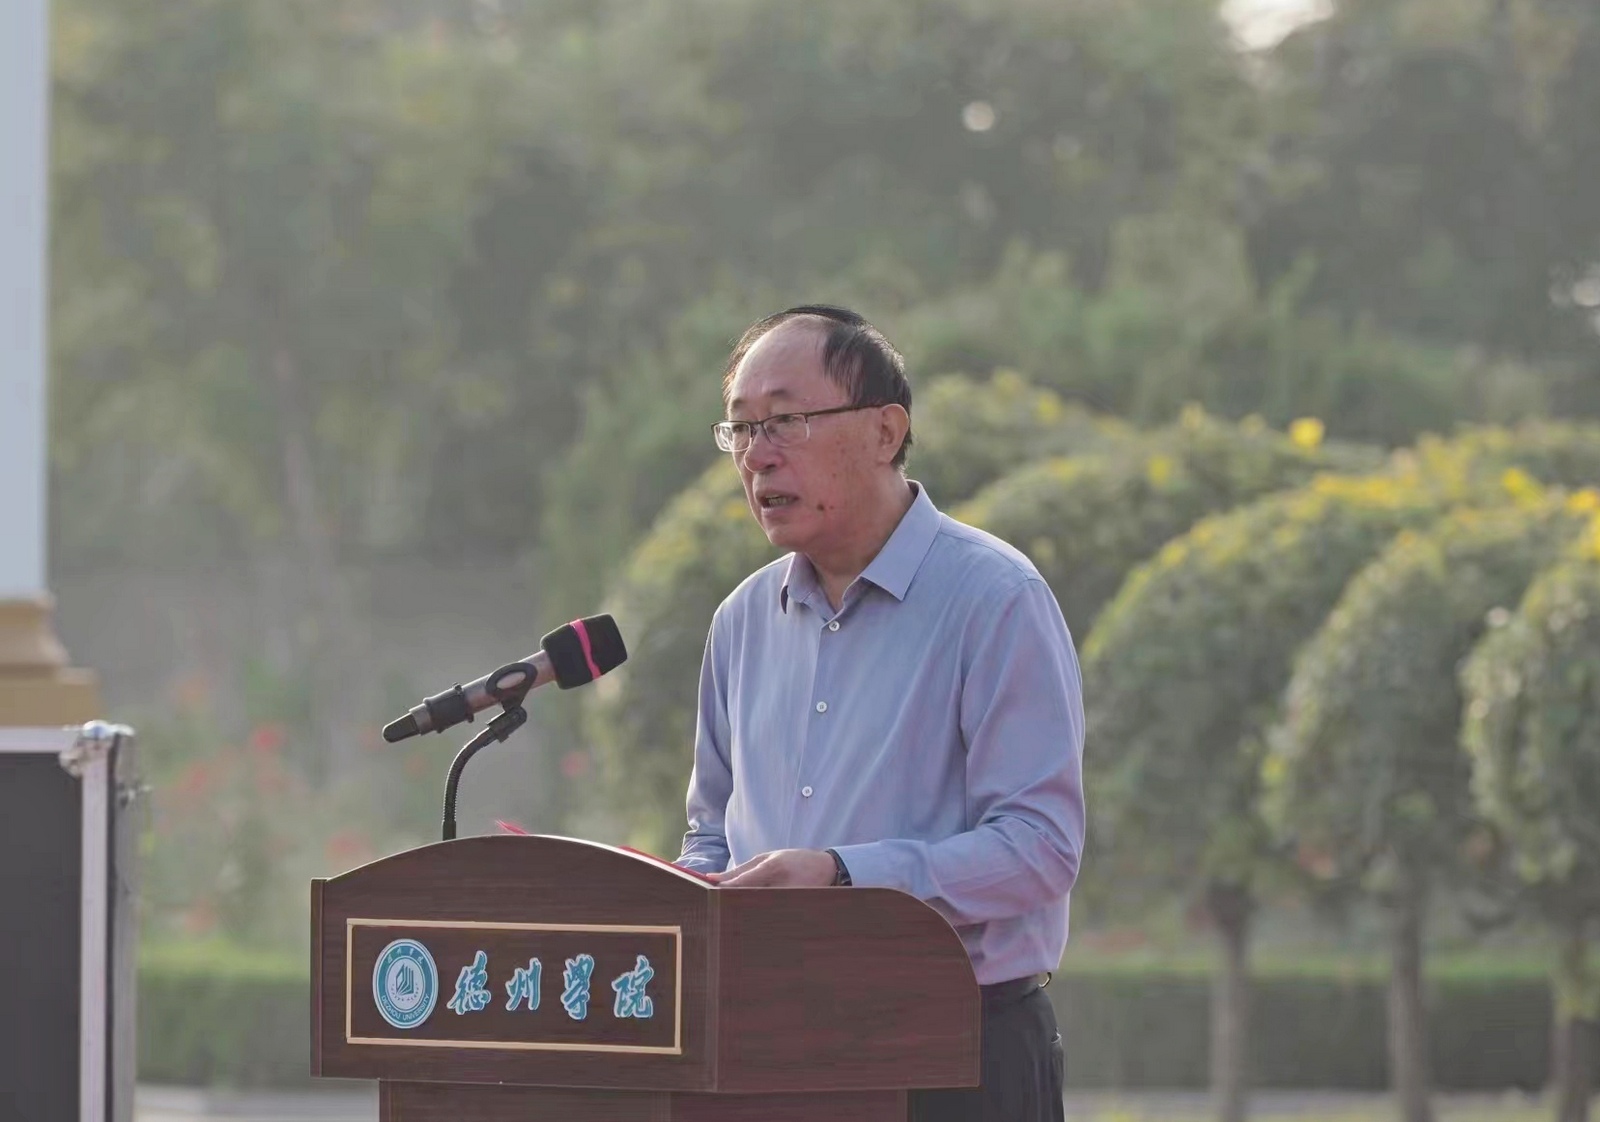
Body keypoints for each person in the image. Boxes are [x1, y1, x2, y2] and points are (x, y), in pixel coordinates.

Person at [674, 304, 1086, 1122]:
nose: (757, 455)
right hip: (766, 1048)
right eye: (741, 429)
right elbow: (712, 831)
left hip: (953, 1051)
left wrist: (844, 875)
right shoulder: (742, 620)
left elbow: (1041, 848)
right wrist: (690, 888)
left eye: (785, 421)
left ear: (885, 431)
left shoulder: (994, 599)